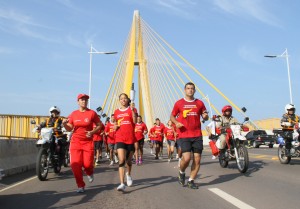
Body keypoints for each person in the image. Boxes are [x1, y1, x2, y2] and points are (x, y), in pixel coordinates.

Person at [170, 82, 208, 189]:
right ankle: (181, 172)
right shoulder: (179, 103)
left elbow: (205, 115)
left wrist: (205, 116)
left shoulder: (199, 103)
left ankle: (191, 180)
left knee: (197, 159)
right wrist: (176, 122)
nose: (190, 90)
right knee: (186, 158)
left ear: (194, 90)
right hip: (184, 134)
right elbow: (172, 116)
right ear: (184, 90)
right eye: (188, 88)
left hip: (197, 134)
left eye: (192, 88)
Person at [62, 94, 102, 193]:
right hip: (75, 142)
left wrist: (92, 132)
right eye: (82, 100)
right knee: (75, 165)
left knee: (87, 164)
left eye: (85, 100)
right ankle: (80, 185)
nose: (84, 101)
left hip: (87, 142)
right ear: (78, 101)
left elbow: (99, 125)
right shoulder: (73, 114)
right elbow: (70, 128)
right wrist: (64, 124)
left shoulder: (92, 113)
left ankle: (89, 172)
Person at [113, 93, 137, 191]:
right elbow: (115, 123)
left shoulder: (132, 110)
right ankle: (122, 183)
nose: (123, 100)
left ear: (128, 100)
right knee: (122, 160)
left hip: (130, 138)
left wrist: (132, 111)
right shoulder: (116, 112)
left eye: (125, 98)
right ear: (119, 100)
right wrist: (115, 126)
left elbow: (135, 121)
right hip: (120, 138)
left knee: (129, 161)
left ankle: (129, 175)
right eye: (121, 99)